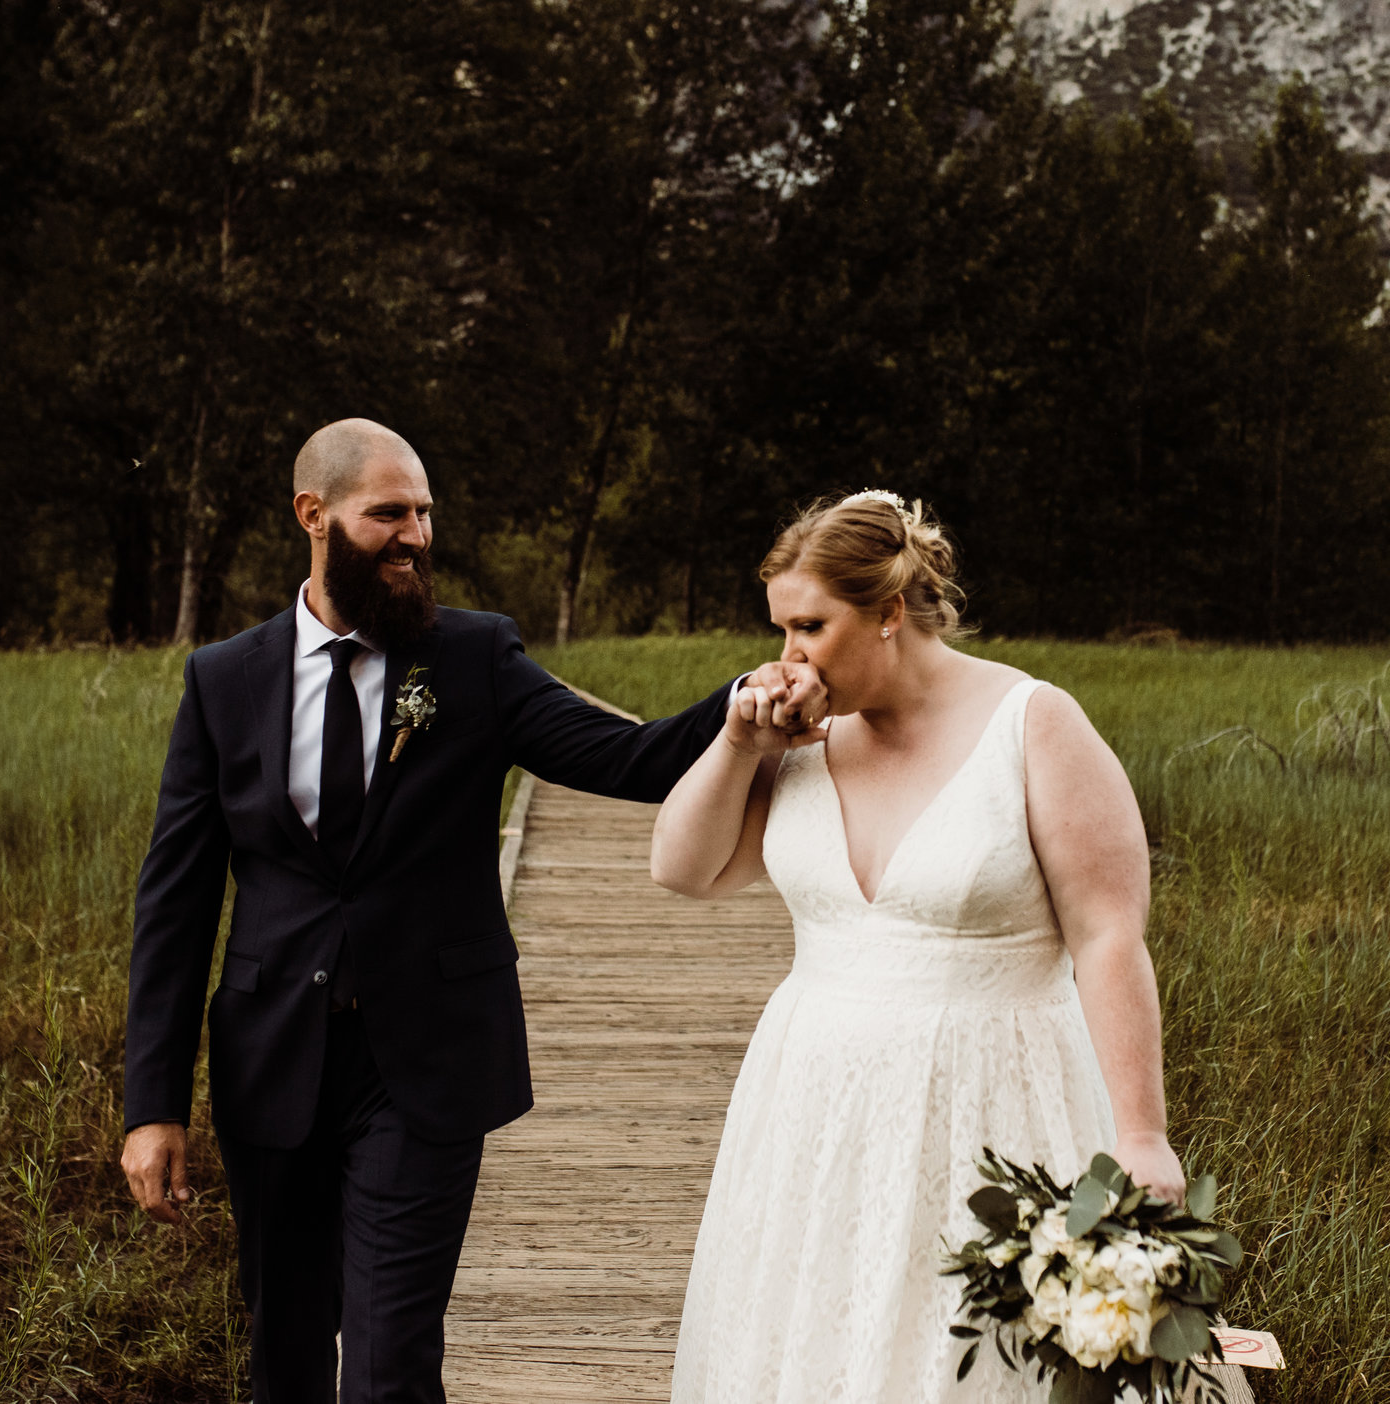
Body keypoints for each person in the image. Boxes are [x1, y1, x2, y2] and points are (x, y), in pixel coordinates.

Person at [119, 419, 824, 1404]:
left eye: (425, 513)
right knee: (283, 1346)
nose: (416, 534)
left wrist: (750, 698)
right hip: (271, 1063)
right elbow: (177, 902)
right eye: (389, 513)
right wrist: (151, 1104)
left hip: (425, 1065)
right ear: (312, 516)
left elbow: (629, 759)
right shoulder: (224, 681)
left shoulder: (473, 658)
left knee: (387, 1360)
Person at [651, 490, 1183, 1404]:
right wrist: (739, 743)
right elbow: (684, 869)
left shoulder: (1035, 724)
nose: (788, 657)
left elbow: (1107, 937)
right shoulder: (799, 737)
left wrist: (1142, 1136)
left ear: (890, 611)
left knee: (977, 1358)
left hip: (990, 1105)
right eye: (780, 629)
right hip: (811, 1108)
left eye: (811, 626)